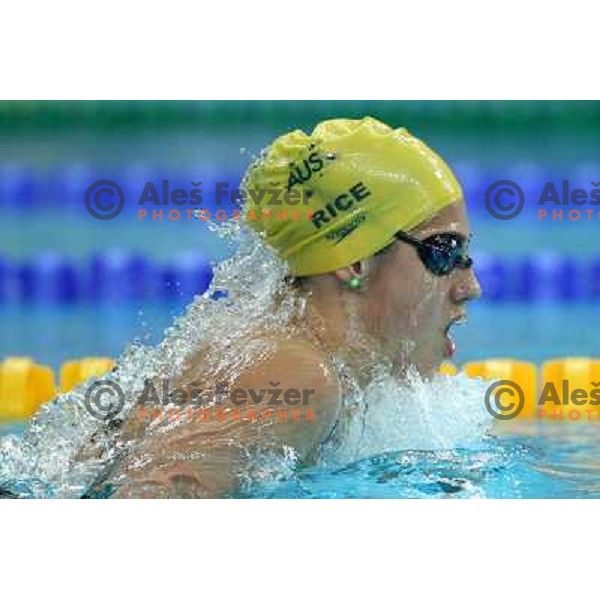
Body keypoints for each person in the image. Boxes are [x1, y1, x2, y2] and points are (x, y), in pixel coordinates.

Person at [108, 116, 481, 498]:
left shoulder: (307, 365)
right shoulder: (300, 378)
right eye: (444, 251)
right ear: (354, 261)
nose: (470, 287)